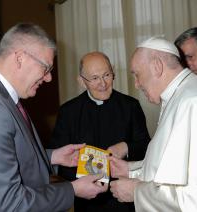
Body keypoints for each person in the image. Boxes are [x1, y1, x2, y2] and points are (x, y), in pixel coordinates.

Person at [0, 23, 108, 212]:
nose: (48, 79)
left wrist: (53, 156)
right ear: (20, 58)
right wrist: (72, 189)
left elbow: (3, 156)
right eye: (46, 68)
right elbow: (10, 204)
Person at [109, 37, 197, 211]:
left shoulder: (194, 101)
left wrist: (136, 192)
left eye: (136, 74)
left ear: (157, 66)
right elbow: (172, 168)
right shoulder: (181, 94)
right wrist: (130, 171)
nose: (136, 84)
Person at [49, 51, 150, 212]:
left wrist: (126, 147)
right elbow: (58, 158)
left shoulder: (131, 106)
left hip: (125, 199)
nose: (102, 83)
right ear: (82, 81)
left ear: (114, 73)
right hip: (87, 202)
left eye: (107, 75)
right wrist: (81, 179)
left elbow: (147, 147)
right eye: (95, 78)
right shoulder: (69, 112)